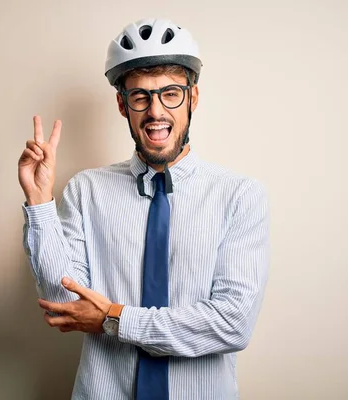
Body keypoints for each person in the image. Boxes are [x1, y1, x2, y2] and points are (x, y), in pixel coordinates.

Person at [18, 18, 270, 400]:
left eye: (170, 93)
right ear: (123, 105)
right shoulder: (87, 190)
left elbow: (232, 323)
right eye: (140, 97)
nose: (156, 111)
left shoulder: (239, 196)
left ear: (193, 99)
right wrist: (39, 201)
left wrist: (114, 319)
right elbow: (66, 304)